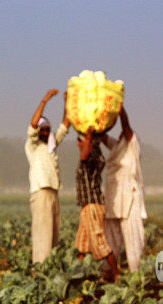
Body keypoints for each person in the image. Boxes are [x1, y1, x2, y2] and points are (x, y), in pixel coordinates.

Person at [25, 89, 70, 264]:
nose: (45, 132)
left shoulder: (51, 146)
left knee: (53, 234)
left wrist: (67, 101)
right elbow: (33, 124)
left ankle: (50, 268)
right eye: (42, 130)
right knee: (42, 234)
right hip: (41, 192)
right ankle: (40, 270)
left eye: (47, 130)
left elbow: (65, 125)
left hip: (53, 192)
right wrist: (45, 99)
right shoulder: (33, 146)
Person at [102, 107, 147, 273]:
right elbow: (104, 137)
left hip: (130, 197)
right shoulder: (117, 147)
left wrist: (121, 111)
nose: (122, 133)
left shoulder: (132, 146)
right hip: (114, 197)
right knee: (111, 236)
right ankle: (109, 270)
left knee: (133, 236)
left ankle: (137, 271)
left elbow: (127, 128)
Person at [74, 125, 119, 281]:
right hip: (87, 206)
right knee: (82, 244)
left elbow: (84, 155)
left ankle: (116, 274)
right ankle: (78, 275)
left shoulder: (90, 157)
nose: (78, 145)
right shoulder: (97, 155)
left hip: (92, 206)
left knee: (99, 242)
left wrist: (88, 136)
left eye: (80, 142)